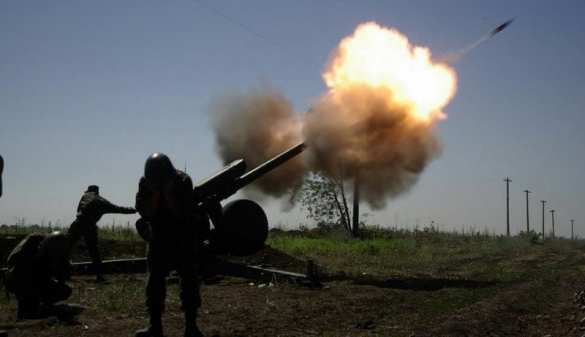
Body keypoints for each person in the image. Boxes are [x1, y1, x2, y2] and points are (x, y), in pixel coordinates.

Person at [135, 153, 209, 337]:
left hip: (183, 234)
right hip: (159, 235)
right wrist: (155, 195)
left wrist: (168, 194)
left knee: (189, 280)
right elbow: (146, 213)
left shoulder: (182, 180)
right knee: (154, 282)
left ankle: (191, 327)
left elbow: (182, 213)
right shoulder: (146, 182)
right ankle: (155, 327)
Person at [67, 185, 136, 281]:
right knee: (94, 251)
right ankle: (100, 275)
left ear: (89, 191)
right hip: (90, 226)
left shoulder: (85, 196)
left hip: (78, 223)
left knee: (67, 246)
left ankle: (62, 272)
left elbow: (78, 210)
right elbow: (119, 209)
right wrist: (133, 210)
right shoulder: (102, 202)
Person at [5, 232, 73, 320]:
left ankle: (41, 307)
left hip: (37, 280)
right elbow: (12, 263)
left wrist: (61, 271)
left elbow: (61, 275)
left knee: (64, 290)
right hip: (20, 280)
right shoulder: (31, 245)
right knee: (29, 312)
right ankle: (29, 309)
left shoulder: (56, 253)